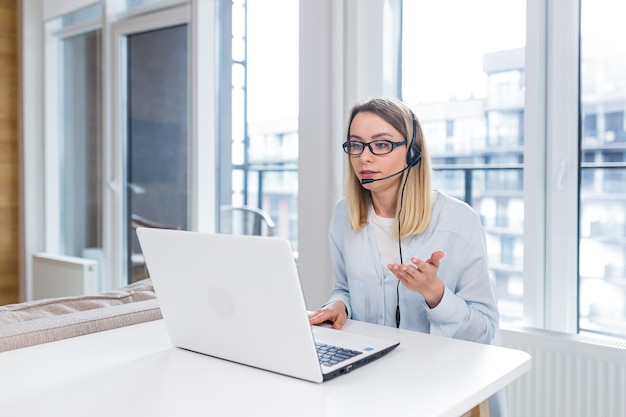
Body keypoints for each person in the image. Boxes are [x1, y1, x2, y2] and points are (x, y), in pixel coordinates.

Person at [308, 97, 505, 415]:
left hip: (440, 385)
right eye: (356, 145)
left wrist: (435, 294)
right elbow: (344, 287)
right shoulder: (344, 215)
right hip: (368, 380)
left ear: (412, 154)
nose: (364, 158)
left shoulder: (459, 221)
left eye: (381, 145)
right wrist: (337, 304)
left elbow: (484, 330)